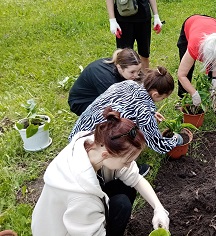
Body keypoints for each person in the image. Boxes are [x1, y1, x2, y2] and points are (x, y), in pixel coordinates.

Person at [32, 107, 170, 236]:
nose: (129, 166)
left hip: (79, 216)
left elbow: (136, 178)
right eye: (126, 161)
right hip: (61, 231)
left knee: (127, 189)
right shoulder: (80, 194)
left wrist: (159, 209)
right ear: (106, 155)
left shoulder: (98, 144)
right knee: (121, 201)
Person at [69, 66, 183, 154]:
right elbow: (158, 145)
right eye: (163, 97)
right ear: (155, 94)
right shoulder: (144, 111)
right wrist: (176, 139)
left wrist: (151, 114)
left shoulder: (128, 83)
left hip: (78, 133)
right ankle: (118, 170)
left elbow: (126, 108)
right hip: (88, 147)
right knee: (133, 138)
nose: (162, 100)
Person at [177, 14, 216, 107]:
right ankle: (183, 99)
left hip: (213, 23)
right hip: (191, 23)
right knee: (187, 69)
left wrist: (215, 82)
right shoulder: (195, 45)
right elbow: (181, 75)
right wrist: (194, 94)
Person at [68, 48, 142, 116]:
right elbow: (118, 105)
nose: (136, 75)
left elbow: (143, 85)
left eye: (138, 71)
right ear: (119, 67)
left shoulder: (124, 65)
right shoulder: (107, 79)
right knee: (114, 116)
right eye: (132, 72)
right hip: (82, 101)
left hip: (99, 94)